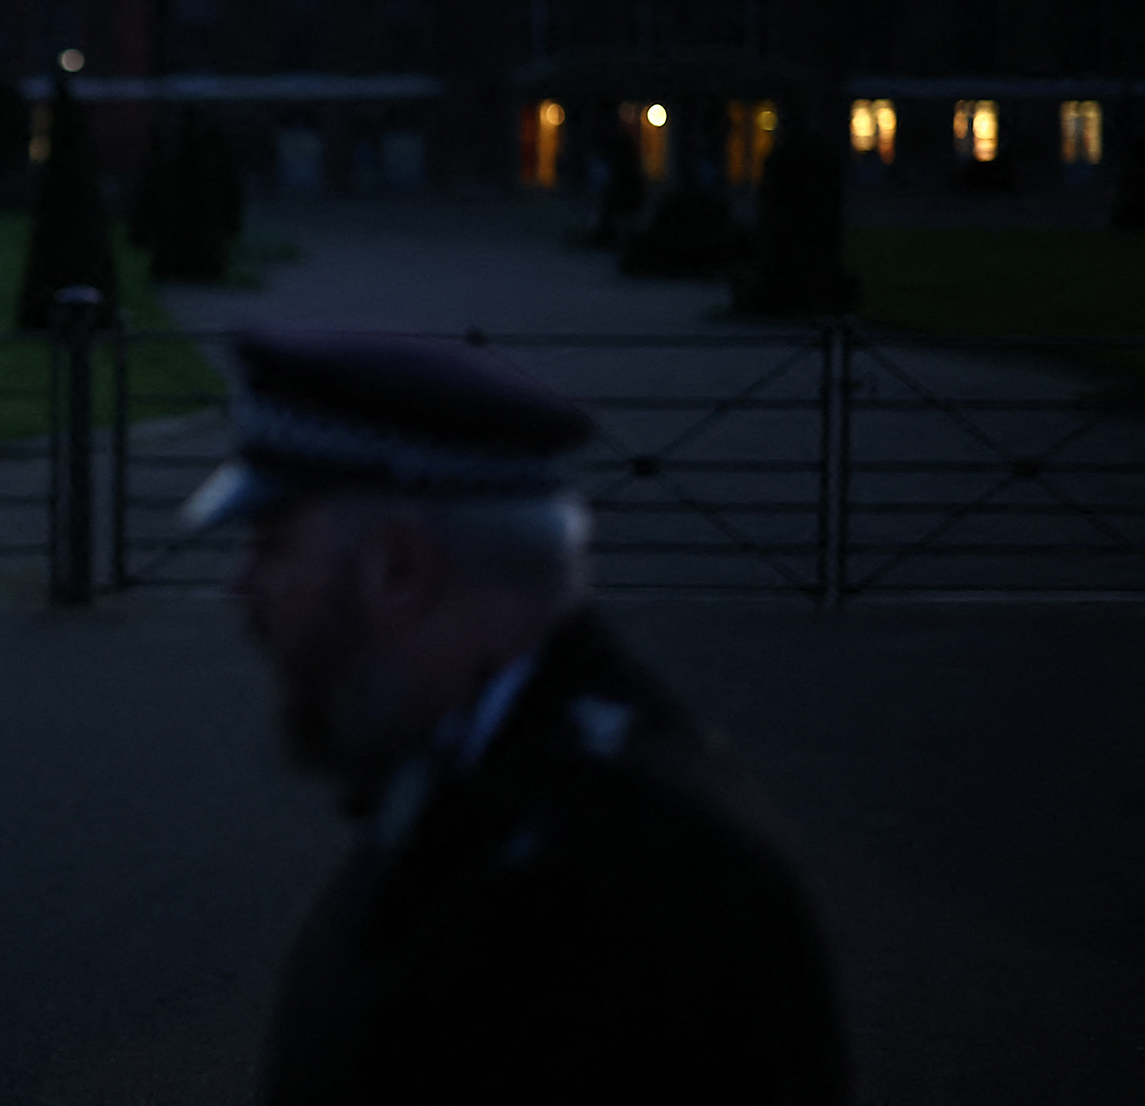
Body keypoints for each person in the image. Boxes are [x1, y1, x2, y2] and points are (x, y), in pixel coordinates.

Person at [187, 326, 850, 1105]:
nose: (244, 583)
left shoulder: (632, 888)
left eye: (274, 541)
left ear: (398, 567)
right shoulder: (507, 771)